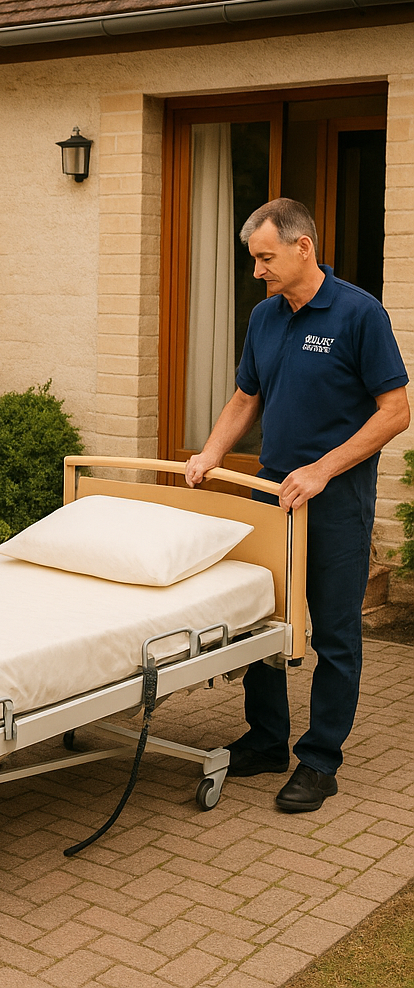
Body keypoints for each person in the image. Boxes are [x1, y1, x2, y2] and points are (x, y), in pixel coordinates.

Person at [185, 197, 409, 813]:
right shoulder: (264, 316)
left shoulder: (359, 314)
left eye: (265, 257)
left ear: (303, 246)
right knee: (263, 616)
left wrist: (322, 469)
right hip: (272, 492)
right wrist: (209, 454)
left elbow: (396, 411)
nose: (256, 270)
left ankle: (320, 760)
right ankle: (266, 739)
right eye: (252, 259)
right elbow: (244, 397)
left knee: (334, 631)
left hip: (335, 498)